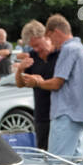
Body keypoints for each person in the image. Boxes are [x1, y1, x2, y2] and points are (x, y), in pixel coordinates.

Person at [20, 13, 83, 163]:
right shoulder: (82, 49)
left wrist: (38, 82)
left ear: (56, 32)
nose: (52, 43)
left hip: (65, 114)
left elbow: (57, 83)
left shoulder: (68, 49)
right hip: (80, 114)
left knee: (56, 164)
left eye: (50, 38)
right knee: (77, 164)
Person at [16, 20, 58, 149]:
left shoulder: (60, 54)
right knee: (43, 154)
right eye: (32, 47)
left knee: (63, 156)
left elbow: (58, 83)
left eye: (38, 45)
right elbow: (21, 84)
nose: (36, 49)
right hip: (41, 115)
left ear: (46, 37)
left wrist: (39, 82)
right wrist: (20, 70)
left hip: (60, 113)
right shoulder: (33, 56)